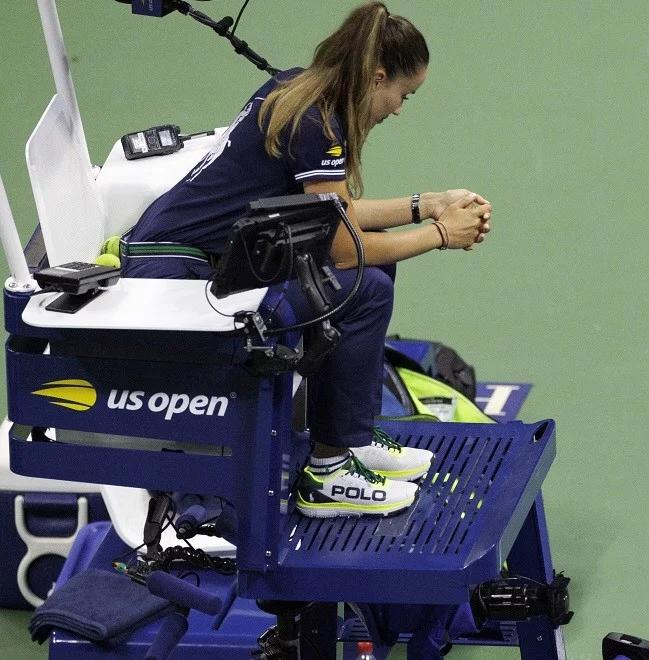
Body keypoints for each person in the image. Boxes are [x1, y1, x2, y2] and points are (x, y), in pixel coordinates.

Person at [123, 2, 492, 518]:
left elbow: (333, 215)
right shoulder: (318, 123)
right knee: (366, 287)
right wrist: (439, 234)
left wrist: (424, 205)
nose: (399, 108)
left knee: (376, 266)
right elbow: (342, 245)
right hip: (176, 277)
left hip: (201, 259)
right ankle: (328, 473)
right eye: (402, 95)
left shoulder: (304, 89)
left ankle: (350, 439)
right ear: (378, 76)